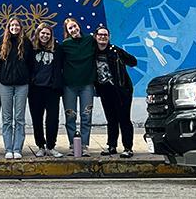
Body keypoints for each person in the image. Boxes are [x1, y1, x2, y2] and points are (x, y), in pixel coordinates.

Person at [94, 26, 138, 158]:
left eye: (105, 35)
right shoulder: (93, 52)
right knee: (111, 119)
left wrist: (120, 54)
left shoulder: (115, 51)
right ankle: (112, 146)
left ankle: (128, 147)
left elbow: (133, 62)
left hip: (121, 90)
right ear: (95, 36)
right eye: (100, 35)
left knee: (124, 119)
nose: (103, 37)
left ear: (109, 37)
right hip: (104, 91)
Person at [0, 17, 34, 159]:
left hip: (22, 85)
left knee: (19, 118)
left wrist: (27, 77)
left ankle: (17, 148)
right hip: (5, 84)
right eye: (12, 25)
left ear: (20, 27)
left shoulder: (26, 43)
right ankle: (8, 148)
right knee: (6, 118)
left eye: (17, 25)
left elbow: (31, 63)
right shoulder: (2, 42)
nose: (14, 27)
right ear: (8, 27)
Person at [60, 17, 97, 156]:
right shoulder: (65, 45)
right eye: (70, 28)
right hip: (69, 86)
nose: (73, 29)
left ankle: (85, 145)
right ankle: (72, 145)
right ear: (67, 31)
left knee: (86, 115)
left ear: (79, 26)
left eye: (75, 26)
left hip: (87, 85)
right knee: (70, 116)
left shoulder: (90, 40)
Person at [28, 23, 65, 158]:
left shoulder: (57, 49)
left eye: (48, 34)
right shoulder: (31, 49)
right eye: (42, 33)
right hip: (35, 89)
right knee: (37, 119)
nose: (45, 36)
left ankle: (51, 146)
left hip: (52, 90)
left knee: (52, 119)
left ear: (51, 36)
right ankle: (41, 146)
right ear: (38, 34)